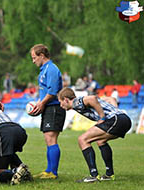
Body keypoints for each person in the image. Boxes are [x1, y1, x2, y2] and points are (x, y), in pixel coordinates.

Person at [58, 87, 132, 182]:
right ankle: (109, 175)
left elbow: (92, 99)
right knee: (101, 141)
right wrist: (116, 111)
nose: (60, 105)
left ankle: (93, 176)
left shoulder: (76, 102)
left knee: (82, 140)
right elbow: (112, 99)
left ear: (66, 99)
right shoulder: (81, 101)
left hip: (114, 119)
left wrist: (102, 117)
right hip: (124, 119)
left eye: (61, 102)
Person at [30, 44, 66, 179]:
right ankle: (48, 170)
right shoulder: (44, 69)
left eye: (34, 58)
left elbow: (52, 92)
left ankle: (53, 172)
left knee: (51, 138)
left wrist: (41, 103)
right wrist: (41, 105)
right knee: (48, 139)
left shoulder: (51, 69)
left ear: (41, 56)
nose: (33, 61)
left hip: (55, 107)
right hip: (49, 107)